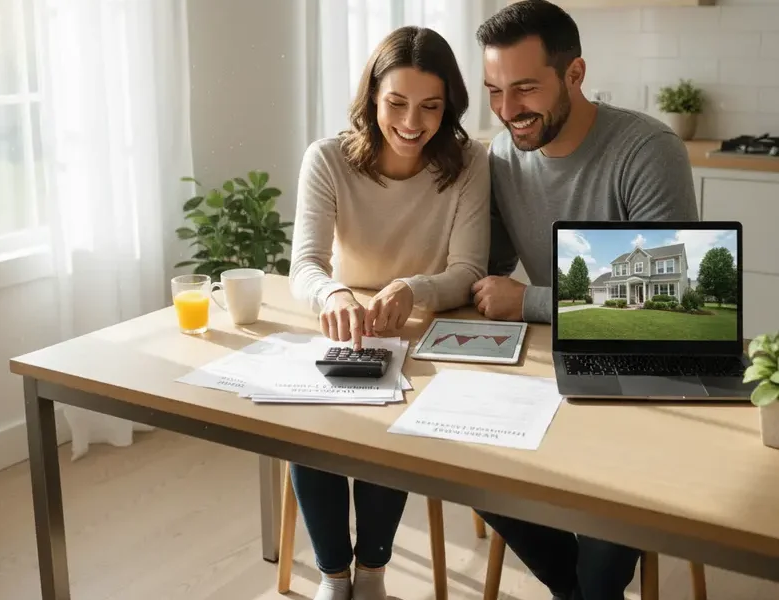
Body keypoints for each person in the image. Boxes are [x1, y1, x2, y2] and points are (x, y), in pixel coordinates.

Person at [469, 1, 699, 599]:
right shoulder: (502, 155)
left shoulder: (646, 150)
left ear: (575, 75)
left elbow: (669, 303)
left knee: (604, 529)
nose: (507, 110)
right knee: (460, 460)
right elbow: (489, 275)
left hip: (646, 373)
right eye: (494, 90)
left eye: (524, 89)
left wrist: (531, 302)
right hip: (553, 367)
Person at [288, 25, 491, 600]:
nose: (411, 122)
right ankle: (334, 576)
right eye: (396, 103)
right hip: (344, 327)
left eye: (430, 107)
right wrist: (334, 295)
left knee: (396, 418)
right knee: (311, 422)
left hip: (423, 333)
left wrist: (411, 287)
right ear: (372, 97)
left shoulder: (469, 163)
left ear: (449, 106)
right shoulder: (327, 160)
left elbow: (469, 270)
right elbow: (304, 265)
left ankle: (373, 573)